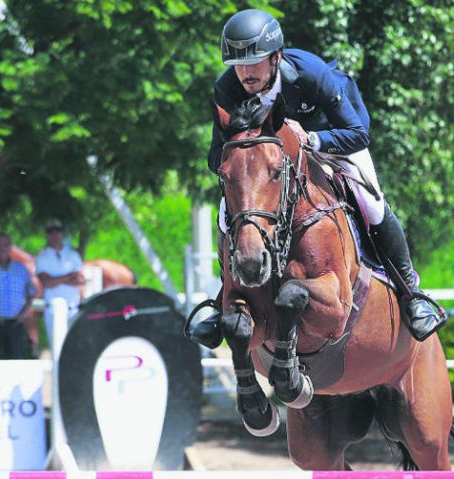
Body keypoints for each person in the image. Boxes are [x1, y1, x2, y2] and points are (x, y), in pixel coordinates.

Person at [186, 8, 441, 348]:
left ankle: (412, 294)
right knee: (227, 212)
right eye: (238, 64)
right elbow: (215, 156)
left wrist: (312, 140)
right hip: (269, 165)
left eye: (255, 61)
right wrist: (241, 153)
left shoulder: (309, 73)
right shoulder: (227, 89)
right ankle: (224, 300)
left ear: (275, 56)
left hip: (330, 140)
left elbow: (358, 133)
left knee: (373, 202)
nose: (245, 72)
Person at [36, 219, 84, 351]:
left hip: (73, 308)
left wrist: (56, 279)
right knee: (57, 349)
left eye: (58, 231)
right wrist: (68, 277)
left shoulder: (73, 255)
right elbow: (46, 282)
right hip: (53, 309)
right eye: (51, 232)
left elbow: (80, 279)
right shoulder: (43, 257)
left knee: (75, 347)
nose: (55, 235)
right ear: (47, 235)